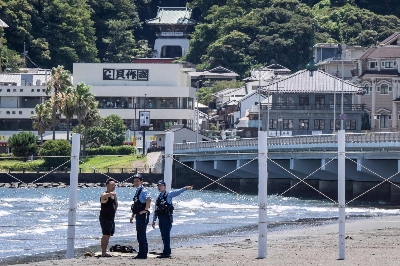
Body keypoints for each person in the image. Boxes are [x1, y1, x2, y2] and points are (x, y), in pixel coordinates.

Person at [151, 180, 193, 258]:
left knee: (166, 235)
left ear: (165, 186)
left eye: (161, 185)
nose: (159, 187)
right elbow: (156, 210)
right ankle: (166, 251)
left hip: (167, 218)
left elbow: (177, 192)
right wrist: (154, 220)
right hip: (161, 218)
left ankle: (167, 252)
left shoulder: (169, 195)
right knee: (163, 235)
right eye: (158, 186)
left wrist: (186, 188)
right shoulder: (158, 198)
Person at [130, 173, 151, 259]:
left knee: (141, 235)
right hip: (138, 215)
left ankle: (142, 254)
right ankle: (143, 252)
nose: (136, 182)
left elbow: (149, 199)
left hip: (143, 215)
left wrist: (145, 210)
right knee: (140, 234)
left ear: (141, 181)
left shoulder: (143, 190)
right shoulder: (138, 190)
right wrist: (132, 215)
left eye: (138, 181)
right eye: (135, 181)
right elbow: (136, 205)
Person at [99, 178, 118, 257]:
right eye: (112, 185)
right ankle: (103, 252)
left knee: (109, 235)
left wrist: (114, 211)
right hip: (105, 218)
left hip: (111, 218)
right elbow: (103, 197)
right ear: (107, 185)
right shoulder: (105, 194)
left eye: (114, 185)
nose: (113, 186)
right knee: (105, 235)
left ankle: (105, 251)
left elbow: (116, 204)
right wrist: (110, 194)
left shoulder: (114, 195)